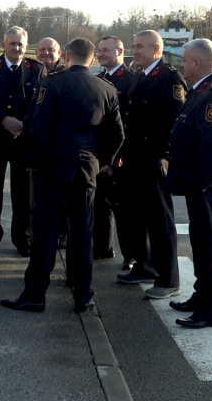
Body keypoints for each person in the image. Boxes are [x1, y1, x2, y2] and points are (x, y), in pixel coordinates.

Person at [1, 38, 123, 314]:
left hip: (52, 166)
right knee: (82, 232)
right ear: (92, 59)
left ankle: (35, 294)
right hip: (87, 167)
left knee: (44, 231)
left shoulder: (51, 83)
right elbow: (117, 134)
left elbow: (38, 127)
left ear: (66, 56)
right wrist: (101, 162)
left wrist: (33, 161)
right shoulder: (106, 88)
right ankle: (83, 295)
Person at [166, 39, 212, 329]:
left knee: (210, 249)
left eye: (185, 60)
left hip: (209, 186)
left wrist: (202, 183)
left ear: (197, 63)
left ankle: (210, 311)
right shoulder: (201, 90)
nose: (182, 65)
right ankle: (201, 296)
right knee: (200, 244)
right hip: (200, 184)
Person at [115, 30, 187, 300]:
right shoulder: (139, 75)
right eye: (133, 46)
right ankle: (144, 267)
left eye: (140, 47)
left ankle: (168, 280)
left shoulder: (169, 78)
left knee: (160, 221)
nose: (135, 51)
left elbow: (176, 122)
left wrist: (163, 155)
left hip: (154, 159)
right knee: (137, 217)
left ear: (157, 49)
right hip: (135, 158)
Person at [0, 27, 47, 256]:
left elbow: (40, 103)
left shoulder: (37, 69)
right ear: (3, 45)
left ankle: (22, 239)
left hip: (23, 140)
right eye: (12, 43)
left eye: (20, 44)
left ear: (27, 46)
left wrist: (22, 124)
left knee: (23, 193)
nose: (16, 48)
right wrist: (4, 119)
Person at [94, 36, 137, 266]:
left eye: (106, 50)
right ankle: (103, 247)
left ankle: (130, 256)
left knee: (124, 209)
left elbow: (131, 124)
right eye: (99, 50)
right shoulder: (99, 79)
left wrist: (117, 156)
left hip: (123, 156)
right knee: (101, 204)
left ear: (120, 51)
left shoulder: (132, 80)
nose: (100, 54)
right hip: (101, 154)